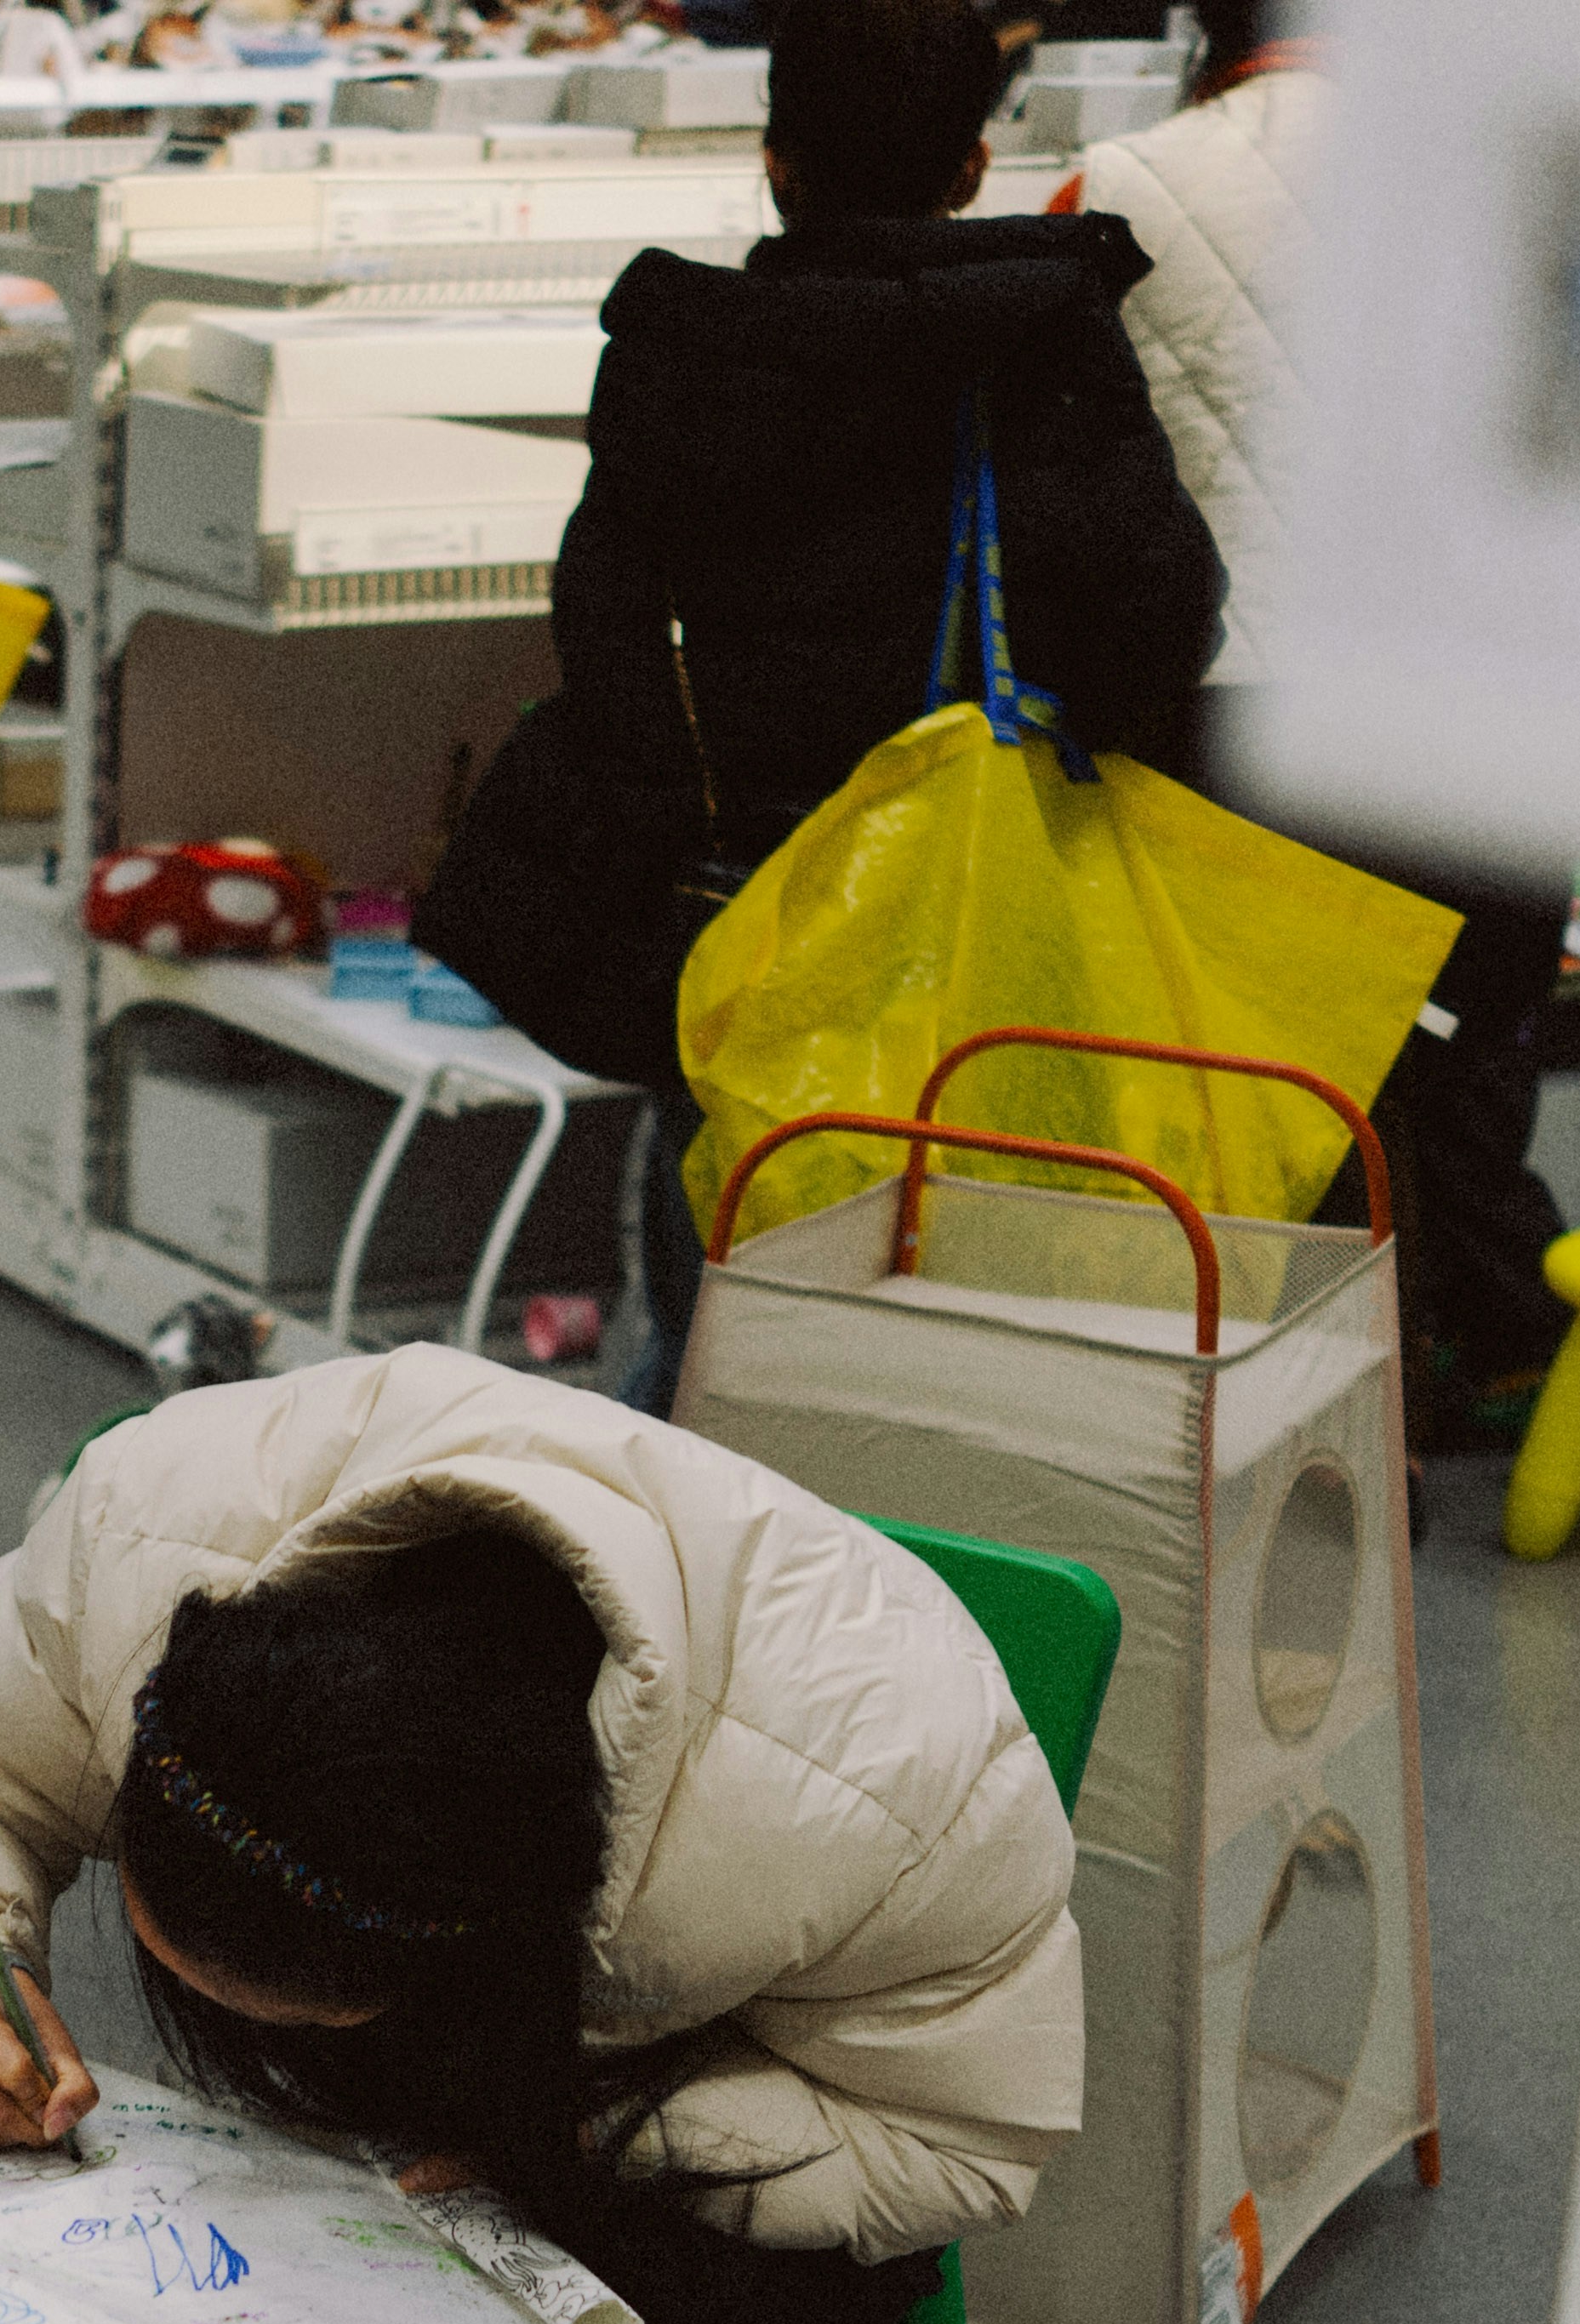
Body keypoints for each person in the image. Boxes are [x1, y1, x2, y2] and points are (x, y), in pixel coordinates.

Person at [0, 1349, 1085, 2324]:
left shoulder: (894, 1786)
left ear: (483, 1948)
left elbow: (956, 2138)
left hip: (655, 2140)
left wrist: (597, 2140)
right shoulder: (157, 1537)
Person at [417, 0, 1220, 1364]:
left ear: (775, 156)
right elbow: (1161, 619)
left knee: (729, 1278)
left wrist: (690, 790)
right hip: (975, 903)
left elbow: (602, 617)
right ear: (973, 165)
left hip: (743, 903)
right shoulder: (1035, 341)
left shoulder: (685, 345)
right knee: (966, 1296)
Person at [1069, 0, 1575, 1435]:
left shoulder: (1119, 184)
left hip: (1227, 710)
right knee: (1453, 1042)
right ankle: (1451, 1356)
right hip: (1448, 695)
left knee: (1256, 1087)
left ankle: (1279, 1389)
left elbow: (1075, 457)